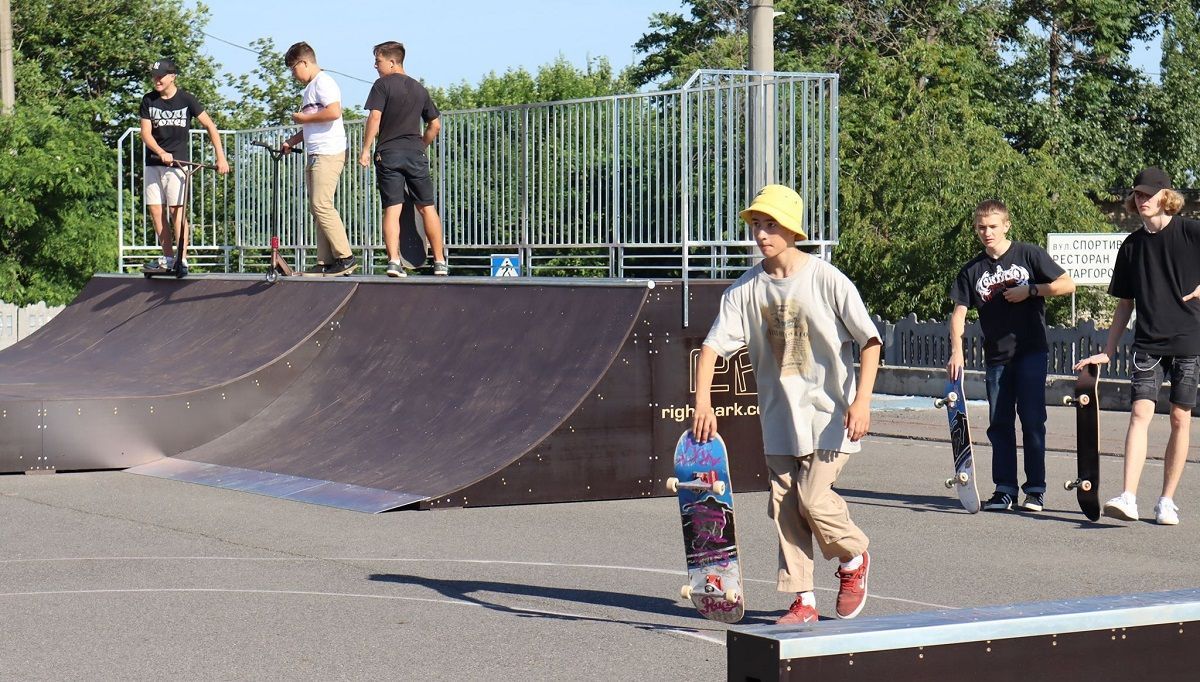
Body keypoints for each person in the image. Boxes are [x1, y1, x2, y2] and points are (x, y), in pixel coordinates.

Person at [692, 184, 882, 624]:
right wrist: (702, 402)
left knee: (813, 499)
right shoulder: (744, 290)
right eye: (757, 224)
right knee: (783, 505)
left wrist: (863, 400)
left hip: (830, 414)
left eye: (771, 224)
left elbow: (870, 341)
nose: (761, 233)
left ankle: (854, 559)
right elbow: (711, 348)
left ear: (793, 230)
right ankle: (804, 600)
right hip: (779, 418)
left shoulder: (825, 278)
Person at [1075, 167, 1200, 525]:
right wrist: (1108, 349)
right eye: (1138, 195)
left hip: (1188, 341)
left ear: (1165, 196)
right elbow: (1125, 304)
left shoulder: (1192, 233)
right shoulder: (1131, 246)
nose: (1142, 200)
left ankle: (1166, 501)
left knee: (1179, 418)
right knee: (1140, 414)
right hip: (1147, 342)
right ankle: (1128, 497)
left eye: (1149, 194)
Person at [947, 199, 1076, 513]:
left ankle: (1035, 490)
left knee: (1032, 421)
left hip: (1031, 351)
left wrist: (1031, 290)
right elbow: (958, 313)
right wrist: (956, 351)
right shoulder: (972, 270)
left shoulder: (1028, 254)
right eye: (981, 227)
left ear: (1006, 225)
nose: (986, 232)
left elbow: (1067, 284)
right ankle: (1004, 489)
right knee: (999, 423)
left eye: (992, 226)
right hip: (997, 358)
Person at [357, 41, 448, 277]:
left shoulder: (381, 85)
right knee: (427, 207)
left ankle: (394, 262)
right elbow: (435, 125)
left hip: (389, 153)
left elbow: (374, 118)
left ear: (392, 62)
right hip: (415, 154)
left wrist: (366, 149)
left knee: (393, 209)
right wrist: (421, 146)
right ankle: (440, 262)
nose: (375, 66)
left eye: (378, 61)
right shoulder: (420, 89)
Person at [138, 58, 230, 271]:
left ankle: (182, 259)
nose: (157, 80)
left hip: (179, 165)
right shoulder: (148, 100)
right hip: (154, 163)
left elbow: (210, 125)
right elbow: (145, 133)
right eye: (154, 76)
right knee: (156, 211)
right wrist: (160, 152)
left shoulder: (187, 100)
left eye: (161, 76)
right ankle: (168, 258)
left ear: (172, 77)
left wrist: (221, 157)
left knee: (176, 212)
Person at [280, 42, 356, 276]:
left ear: (304, 62)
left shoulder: (324, 82)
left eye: (293, 68)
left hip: (328, 152)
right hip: (316, 152)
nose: (293, 75)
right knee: (318, 208)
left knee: (322, 205)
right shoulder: (311, 88)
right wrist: (292, 141)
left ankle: (346, 257)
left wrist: (302, 117)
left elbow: (334, 112)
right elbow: (314, 123)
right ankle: (326, 260)